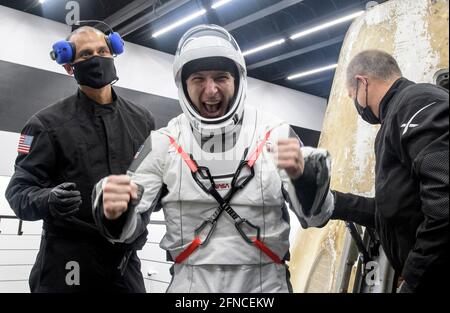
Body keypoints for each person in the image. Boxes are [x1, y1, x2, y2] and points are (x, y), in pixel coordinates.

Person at [91, 24, 334, 293]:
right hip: (192, 286)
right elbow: (124, 232)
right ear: (183, 85)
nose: (211, 91)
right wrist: (114, 212)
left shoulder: (274, 133)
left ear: (237, 80)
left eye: (221, 77)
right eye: (198, 79)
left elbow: (315, 218)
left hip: (265, 287)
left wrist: (308, 179)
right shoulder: (163, 142)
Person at [5, 25, 155, 292]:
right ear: (68, 66)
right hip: (67, 264)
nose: (96, 58)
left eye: (102, 51)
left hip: (124, 264)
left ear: (114, 54)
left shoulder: (142, 121)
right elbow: (18, 191)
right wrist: (48, 199)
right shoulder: (44, 125)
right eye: (86, 55)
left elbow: (154, 183)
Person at [324, 50, 449, 292]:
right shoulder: (396, 116)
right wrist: (334, 204)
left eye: (352, 96)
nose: (357, 105)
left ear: (362, 83)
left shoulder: (417, 104)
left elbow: (445, 204)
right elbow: (399, 207)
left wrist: (414, 278)